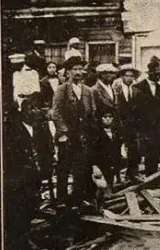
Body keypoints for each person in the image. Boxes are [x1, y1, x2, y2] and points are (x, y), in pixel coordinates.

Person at [52, 56, 98, 209]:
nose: (78, 72)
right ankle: (61, 199)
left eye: (80, 69)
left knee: (81, 167)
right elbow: (56, 113)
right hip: (67, 135)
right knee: (64, 168)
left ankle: (77, 198)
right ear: (68, 72)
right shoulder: (62, 89)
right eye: (75, 69)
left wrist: (90, 132)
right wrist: (63, 132)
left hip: (82, 135)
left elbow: (92, 112)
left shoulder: (88, 91)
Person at [4, 97, 43, 248]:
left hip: (33, 181)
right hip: (17, 182)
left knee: (30, 211)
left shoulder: (39, 128)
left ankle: (25, 239)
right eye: (31, 108)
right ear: (23, 111)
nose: (35, 111)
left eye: (37, 108)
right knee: (17, 214)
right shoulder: (12, 130)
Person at [133, 61, 160, 176]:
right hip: (144, 127)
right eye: (155, 73)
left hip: (158, 128)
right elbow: (135, 109)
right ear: (149, 74)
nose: (158, 76)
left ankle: (152, 176)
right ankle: (139, 176)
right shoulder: (138, 87)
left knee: (156, 152)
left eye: (159, 73)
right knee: (143, 152)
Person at [115, 64, 143, 182]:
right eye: (127, 76)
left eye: (132, 76)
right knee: (116, 150)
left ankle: (132, 174)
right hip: (119, 124)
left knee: (134, 150)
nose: (129, 78)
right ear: (122, 76)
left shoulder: (136, 90)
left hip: (133, 125)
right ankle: (116, 176)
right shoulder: (116, 89)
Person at [93, 109, 120, 194]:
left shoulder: (115, 132)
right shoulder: (97, 133)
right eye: (105, 117)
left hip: (111, 166)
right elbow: (92, 151)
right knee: (101, 187)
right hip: (100, 166)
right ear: (101, 118)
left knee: (110, 186)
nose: (108, 119)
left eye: (110, 117)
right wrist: (95, 166)